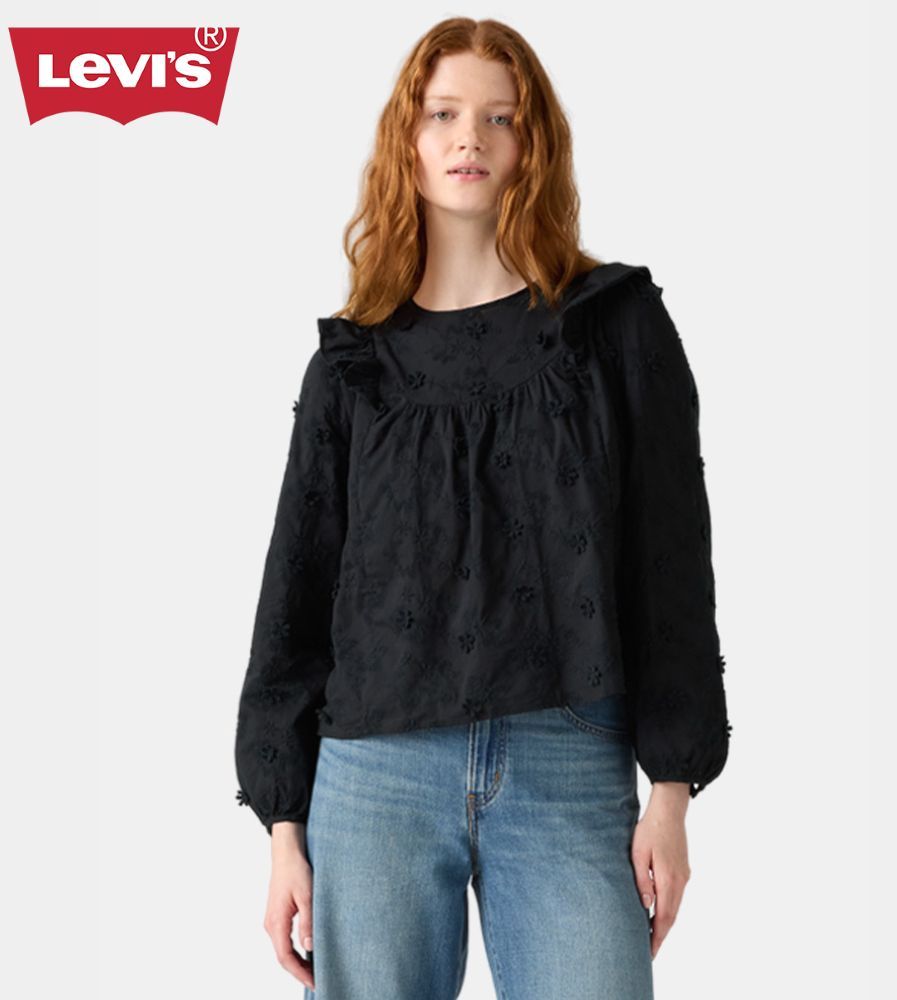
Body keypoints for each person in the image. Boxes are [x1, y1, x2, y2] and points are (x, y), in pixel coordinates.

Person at [234, 16, 732, 999]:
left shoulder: (614, 327)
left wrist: (670, 791)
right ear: (408, 140)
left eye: (500, 117)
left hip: (567, 756)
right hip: (373, 773)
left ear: (532, 143)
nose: (470, 138)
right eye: (444, 114)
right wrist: (284, 825)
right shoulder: (353, 364)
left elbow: (670, 561)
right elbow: (298, 584)